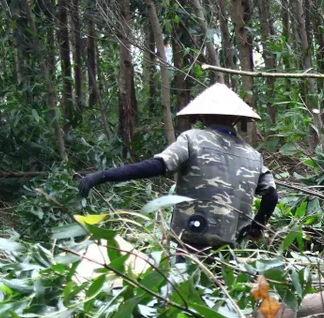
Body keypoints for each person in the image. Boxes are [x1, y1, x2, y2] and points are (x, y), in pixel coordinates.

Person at [77, 84, 278, 249]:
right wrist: (256, 227)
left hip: (193, 237)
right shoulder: (254, 155)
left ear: (203, 116)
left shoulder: (193, 139)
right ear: (237, 119)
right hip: (233, 245)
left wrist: (102, 176)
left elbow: (157, 166)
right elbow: (272, 195)